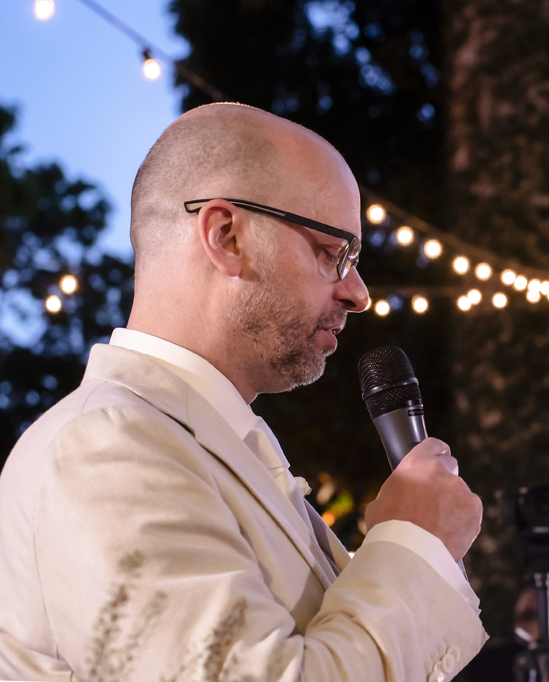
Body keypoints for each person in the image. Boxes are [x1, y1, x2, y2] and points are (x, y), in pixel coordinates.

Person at [0, 103, 487, 681]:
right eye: (333, 253)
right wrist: (413, 543)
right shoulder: (104, 447)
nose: (357, 292)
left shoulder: (210, 441)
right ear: (227, 236)